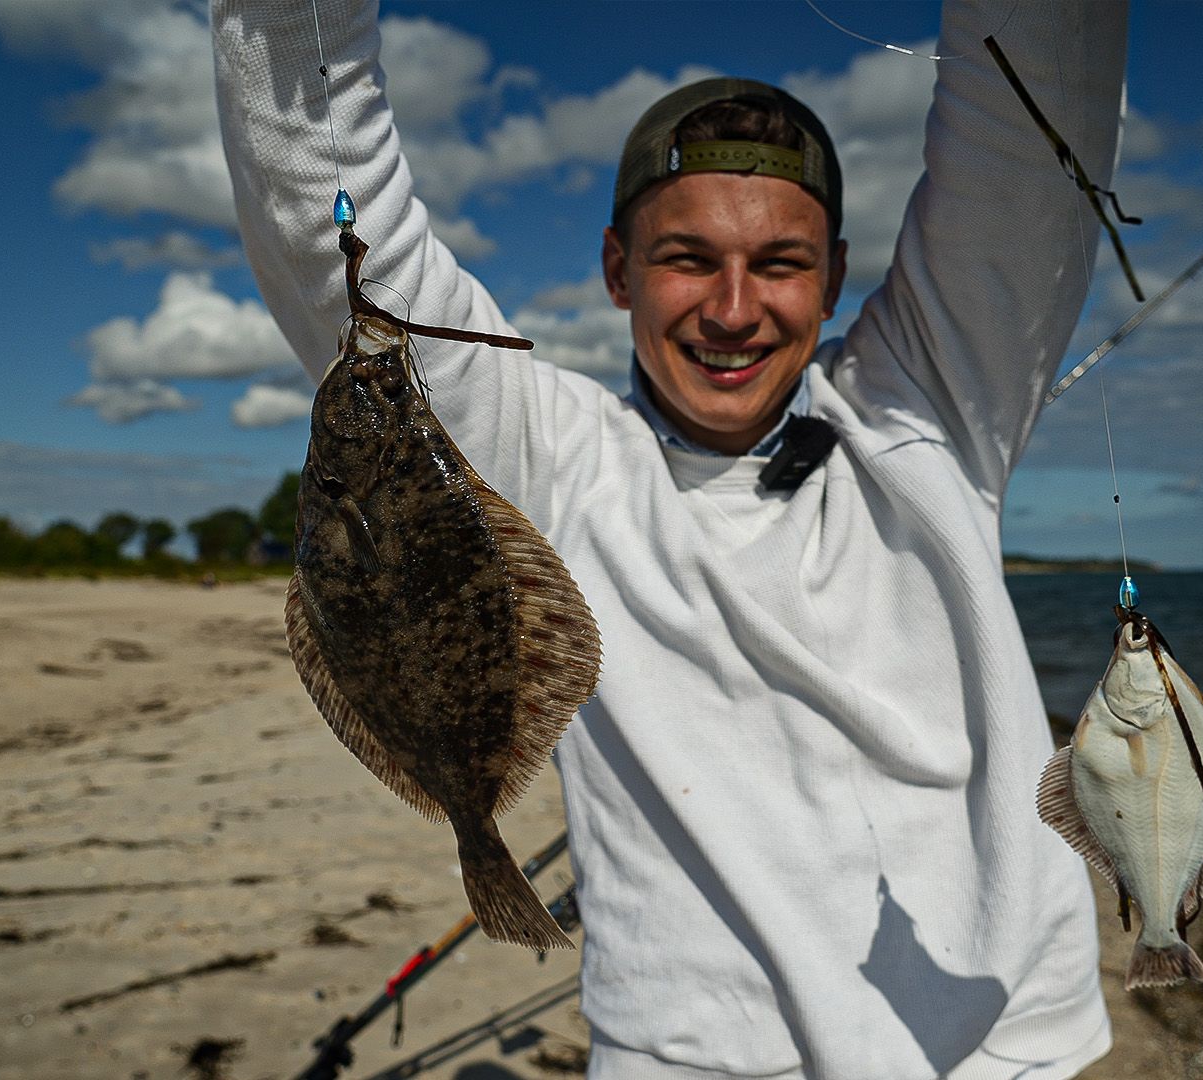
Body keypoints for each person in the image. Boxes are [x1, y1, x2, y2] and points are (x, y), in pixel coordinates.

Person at [213, 2, 1128, 1076]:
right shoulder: (544, 451)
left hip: (1004, 1046)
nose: (733, 310)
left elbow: (1032, 117)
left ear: (835, 278)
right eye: (688, 258)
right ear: (618, 269)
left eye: (780, 263)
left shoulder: (927, 409)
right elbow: (320, 213)